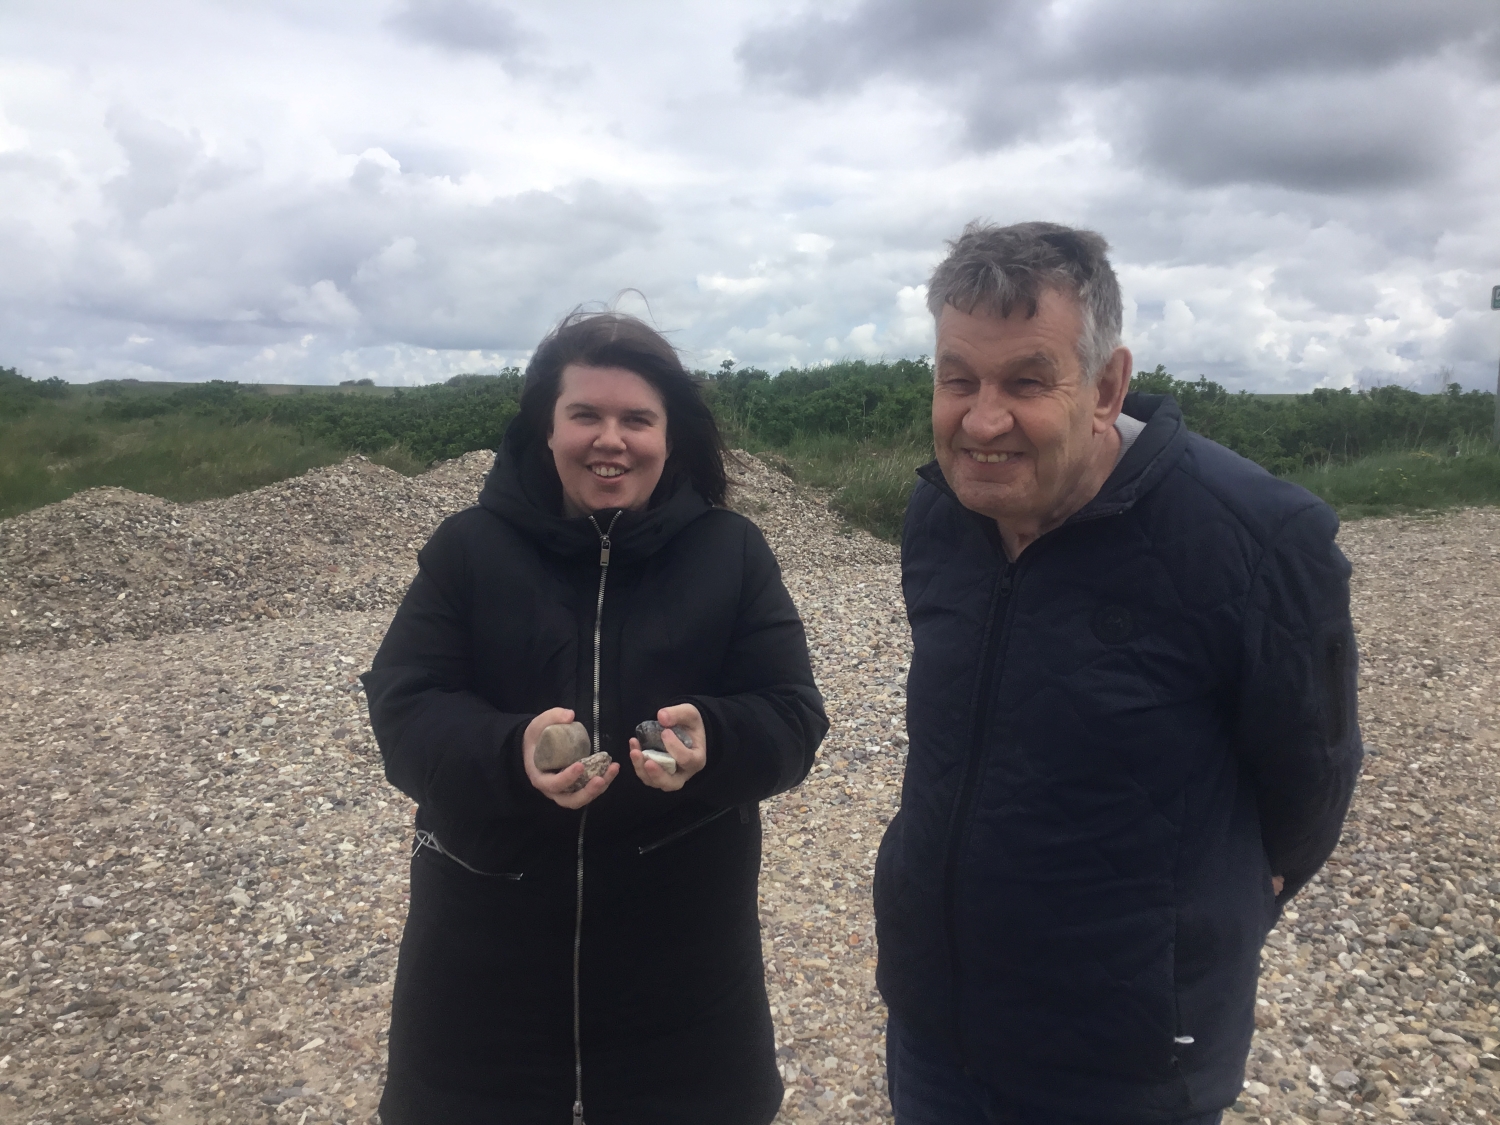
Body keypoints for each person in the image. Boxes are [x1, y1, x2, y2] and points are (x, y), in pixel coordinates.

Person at [874, 221, 1362, 1124]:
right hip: (936, 1028)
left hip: (1125, 1061)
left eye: (1026, 380)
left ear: (1106, 384)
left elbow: (1309, 790)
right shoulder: (941, 511)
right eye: (958, 379)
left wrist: (1194, 937)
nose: (983, 419)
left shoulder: (1256, 539)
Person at [361, 310, 827, 1124]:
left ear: (669, 435)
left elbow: (793, 717)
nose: (610, 439)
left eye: (636, 419)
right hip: (481, 985)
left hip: (683, 985)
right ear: (547, 428)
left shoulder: (732, 553)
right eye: (586, 414)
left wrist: (715, 738)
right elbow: (404, 710)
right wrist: (513, 754)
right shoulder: (468, 549)